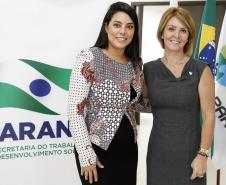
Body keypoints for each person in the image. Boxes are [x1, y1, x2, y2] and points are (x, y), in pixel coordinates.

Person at [68, 2, 144, 185]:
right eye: (117, 24)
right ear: (106, 27)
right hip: (97, 151)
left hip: (128, 149)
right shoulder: (90, 57)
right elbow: (75, 110)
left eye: (129, 26)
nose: (123, 31)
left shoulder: (135, 63)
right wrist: (86, 156)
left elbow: (134, 103)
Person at [143, 7, 215, 185]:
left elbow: (209, 116)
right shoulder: (148, 70)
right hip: (158, 156)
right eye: (171, 28)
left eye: (183, 30)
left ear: (189, 36)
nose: (176, 35)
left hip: (191, 156)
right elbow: (137, 102)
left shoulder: (201, 69)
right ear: (162, 32)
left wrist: (203, 155)